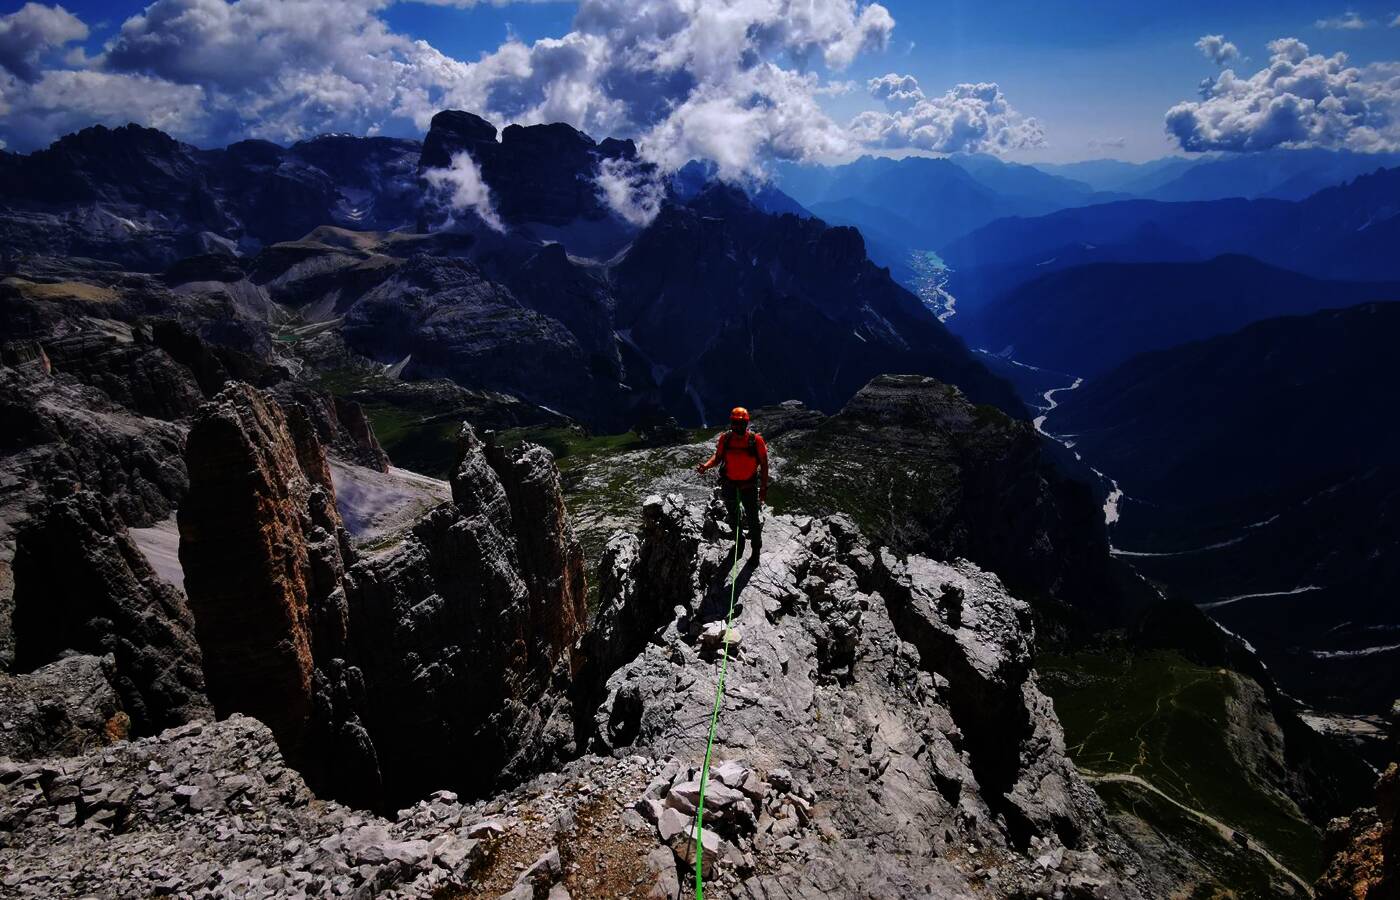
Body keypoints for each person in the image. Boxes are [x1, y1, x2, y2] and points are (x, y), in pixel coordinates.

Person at [696, 406, 769, 557]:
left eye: (741, 423)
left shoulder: (756, 441)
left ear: (747, 424)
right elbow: (718, 457)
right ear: (731, 423)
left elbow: (764, 464)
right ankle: (740, 541)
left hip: (748, 486)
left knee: (753, 520)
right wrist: (706, 466)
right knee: (734, 518)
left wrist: (763, 489)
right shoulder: (726, 439)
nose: (738, 426)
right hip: (730, 485)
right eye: (736, 423)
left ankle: (756, 550)